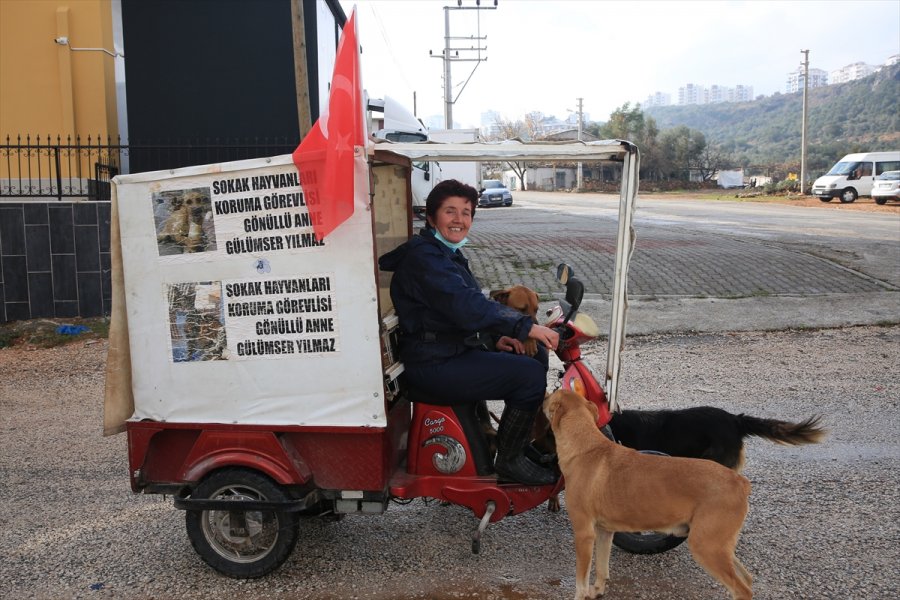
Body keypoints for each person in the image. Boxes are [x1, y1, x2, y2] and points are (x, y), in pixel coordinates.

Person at [378, 179, 559, 485]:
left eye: (466, 212)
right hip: (433, 364)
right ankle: (510, 460)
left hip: (445, 352)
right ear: (431, 217)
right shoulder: (426, 259)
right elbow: (465, 305)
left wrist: (494, 339)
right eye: (450, 211)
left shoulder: (444, 254)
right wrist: (525, 325)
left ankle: (512, 444)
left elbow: (454, 314)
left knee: (534, 356)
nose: (459, 219)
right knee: (528, 376)